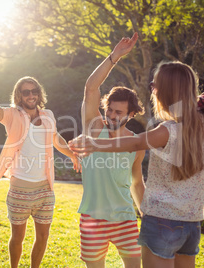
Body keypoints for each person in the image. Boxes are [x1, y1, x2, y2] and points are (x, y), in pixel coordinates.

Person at [69, 60, 204, 268]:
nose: (153, 89)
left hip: (160, 220)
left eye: (155, 85)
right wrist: (190, 101)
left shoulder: (166, 131)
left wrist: (94, 144)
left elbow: (137, 143)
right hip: (191, 223)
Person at [0, 64, 81, 268]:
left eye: (34, 91)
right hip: (20, 188)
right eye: (26, 92)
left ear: (39, 93)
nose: (31, 95)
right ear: (19, 95)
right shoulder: (12, 115)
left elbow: (56, 138)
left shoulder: (48, 115)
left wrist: (72, 154)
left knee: (43, 236)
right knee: (18, 237)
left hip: (45, 188)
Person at [78, 32, 145, 268]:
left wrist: (145, 215)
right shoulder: (95, 128)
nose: (112, 116)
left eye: (119, 112)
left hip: (125, 218)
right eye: (110, 110)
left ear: (131, 114)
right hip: (92, 217)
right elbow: (90, 89)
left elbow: (136, 183)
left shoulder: (136, 144)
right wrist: (113, 57)